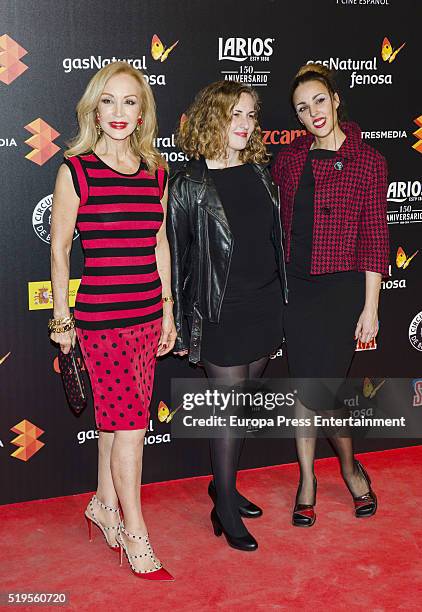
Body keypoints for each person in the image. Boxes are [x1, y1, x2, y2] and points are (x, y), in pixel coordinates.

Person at [49, 61, 176, 579]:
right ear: (93, 109)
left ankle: (103, 504)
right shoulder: (74, 170)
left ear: (142, 110)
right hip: (101, 320)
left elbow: (159, 241)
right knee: (129, 429)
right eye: (109, 101)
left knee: (117, 422)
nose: (119, 112)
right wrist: (62, 320)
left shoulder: (157, 171)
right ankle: (134, 530)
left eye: (130, 101)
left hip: (147, 317)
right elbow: (59, 250)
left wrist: (167, 309)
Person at [168, 81, 288, 551]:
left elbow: (272, 242)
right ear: (210, 118)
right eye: (234, 114)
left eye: (251, 115)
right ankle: (223, 508)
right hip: (219, 311)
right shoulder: (188, 184)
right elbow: (176, 260)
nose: (244, 123)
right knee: (227, 411)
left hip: (263, 305)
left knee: (243, 407)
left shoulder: (261, 172)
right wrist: (176, 324)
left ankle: (225, 485)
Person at [272, 64, 389, 527]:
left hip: (340, 292)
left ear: (336, 99)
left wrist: (371, 308)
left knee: (325, 391)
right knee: (306, 387)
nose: (313, 112)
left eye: (319, 100)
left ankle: (346, 465)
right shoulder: (289, 158)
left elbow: (376, 237)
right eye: (303, 107)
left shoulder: (369, 161)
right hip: (295, 290)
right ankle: (306, 480)